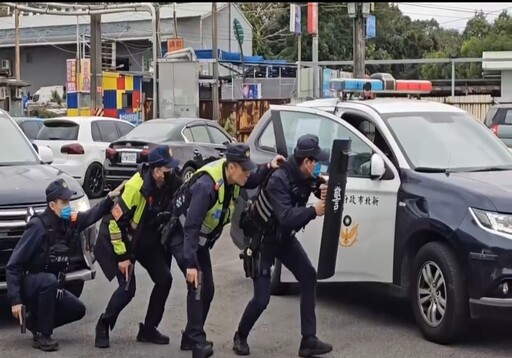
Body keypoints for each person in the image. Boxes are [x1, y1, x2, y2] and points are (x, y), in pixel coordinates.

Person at [165, 143, 284, 358]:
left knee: (208, 289)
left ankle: (189, 337)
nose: (248, 173)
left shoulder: (234, 178)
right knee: (197, 284)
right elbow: (191, 226)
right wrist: (190, 263)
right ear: (231, 168)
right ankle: (197, 343)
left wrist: (269, 166)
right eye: (244, 169)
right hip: (181, 236)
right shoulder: (207, 186)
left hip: (198, 241)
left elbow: (255, 178)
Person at [233, 134, 333, 357]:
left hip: (283, 238)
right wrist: (312, 211)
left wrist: (322, 189)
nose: (318, 167)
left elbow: (310, 187)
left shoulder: (304, 175)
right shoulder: (279, 179)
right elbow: (287, 216)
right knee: (262, 298)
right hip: (262, 241)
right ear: (307, 162)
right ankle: (240, 335)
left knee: (308, 276)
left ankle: (308, 340)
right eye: (316, 162)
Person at [6, 178, 115, 352]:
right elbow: (13, 265)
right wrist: (15, 300)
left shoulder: (67, 221)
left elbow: (90, 216)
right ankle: (43, 334)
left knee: (77, 309)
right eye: (63, 202)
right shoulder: (38, 227)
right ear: (52, 205)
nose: (68, 206)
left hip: (50, 286)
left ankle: (35, 322)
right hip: (31, 285)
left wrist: (109, 199)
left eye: (68, 201)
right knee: (48, 281)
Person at [93, 144, 183, 349]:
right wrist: (123, 257)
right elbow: (114, 223)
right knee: (127, 289)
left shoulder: (171, 183)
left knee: (165, 279)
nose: (172, 173)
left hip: (145, 241)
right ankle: (103, 323)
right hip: (121, 241)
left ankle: (149, 329)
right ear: (157, 171)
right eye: (168, 169)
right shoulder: (135, 187)